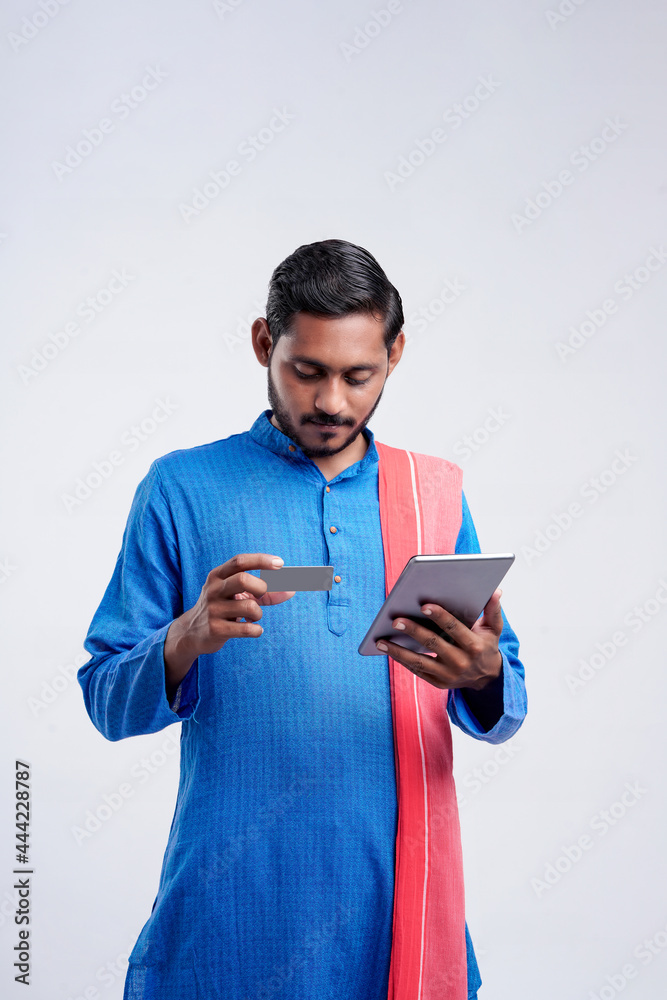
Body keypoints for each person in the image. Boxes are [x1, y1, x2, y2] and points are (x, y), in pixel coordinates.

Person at [78, 238, 527, 1000]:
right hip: (226, 919)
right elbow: (104, 699)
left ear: (395, 354)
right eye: (307, 370)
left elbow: (504, 702)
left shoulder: (433, 495)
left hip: (396, 917)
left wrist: (481, 675)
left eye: (359, 375)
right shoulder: (182, 488)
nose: (332, 403)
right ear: (264, 342)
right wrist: (185, 637)